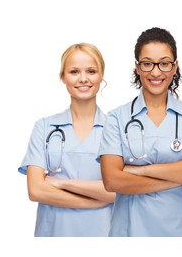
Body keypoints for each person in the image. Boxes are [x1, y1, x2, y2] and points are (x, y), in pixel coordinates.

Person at [98, 27, 182, 236]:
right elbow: (112, 180)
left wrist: (136, 170)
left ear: (175, 66)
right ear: (137, 67)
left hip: (179, 231)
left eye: (164, 63)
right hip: (131, 232)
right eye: (147, 64)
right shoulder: (117, 118)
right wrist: (178, 175)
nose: (156, 72)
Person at [19, 43, 114, 236]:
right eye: (74, 71)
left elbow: (117, 192)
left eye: (91, 71)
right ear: (62, 76)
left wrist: (62, 183)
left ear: (101, 75)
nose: (83, 79)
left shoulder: (116, 129)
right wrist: (94, 200)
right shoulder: (44, 127)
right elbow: (36, 190)